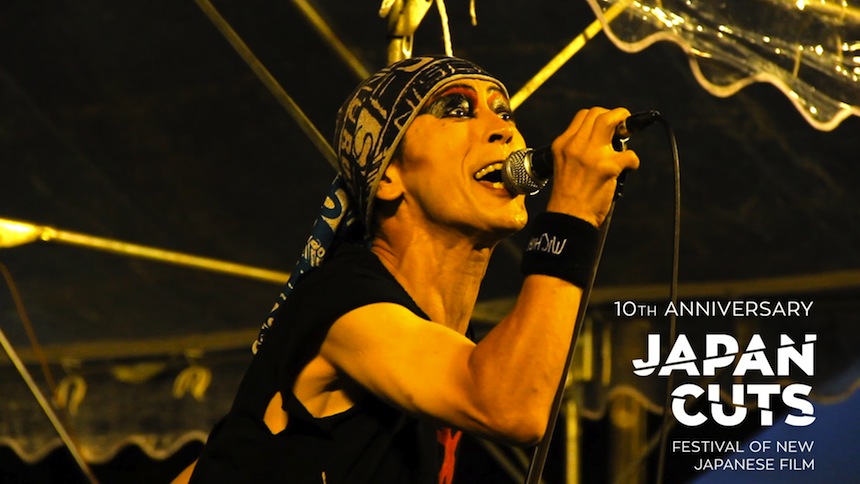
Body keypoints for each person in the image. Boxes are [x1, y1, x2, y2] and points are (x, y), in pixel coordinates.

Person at [179, 55, 639, 483]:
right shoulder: (343, 301)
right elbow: (509, 408)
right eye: (457, 110)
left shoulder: (445, 350)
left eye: (503, 112)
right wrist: (572, 215)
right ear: (388, 176)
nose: (502, 129)